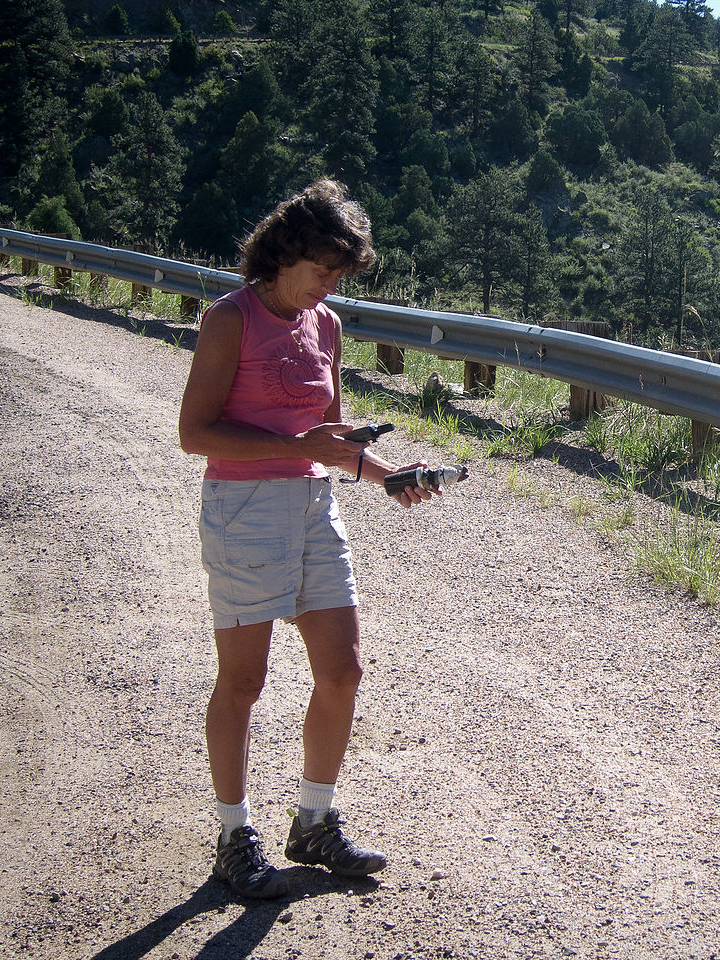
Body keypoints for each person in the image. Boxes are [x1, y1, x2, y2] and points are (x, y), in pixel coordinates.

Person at [178, 179, 436, 899]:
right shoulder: (230, 319)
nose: (329, 286)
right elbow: (194, 433)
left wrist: (387, 471)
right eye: (322, 270)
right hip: (244, 508)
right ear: (284, 254)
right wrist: (301, 440)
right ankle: (234, 834)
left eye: (338, 275)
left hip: (313, 505)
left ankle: (313, 823)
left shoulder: (325, 326)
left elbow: (329, 441)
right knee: (244, 681)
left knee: (343, 670)